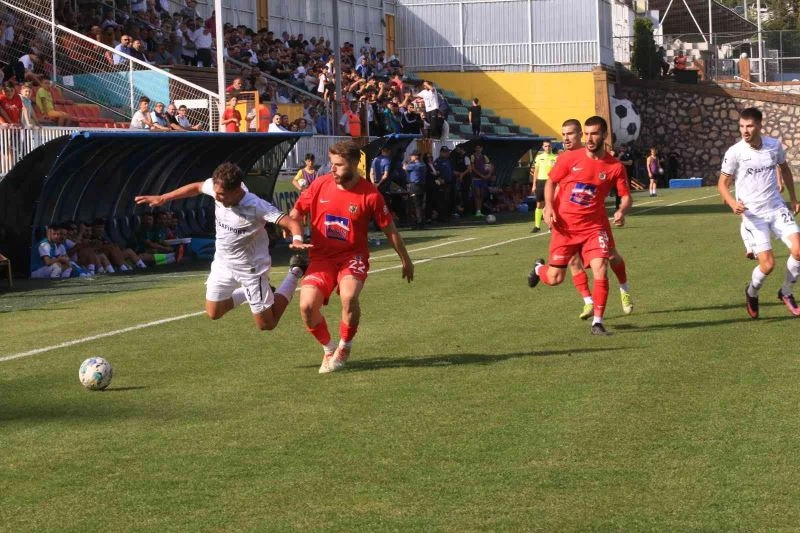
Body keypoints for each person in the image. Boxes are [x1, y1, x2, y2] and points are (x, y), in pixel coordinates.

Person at [135, 162, 312, 331]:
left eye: (221, 194)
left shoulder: (256, 206)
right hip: (223, 263)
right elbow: (197, 187)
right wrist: (163, 197)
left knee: (267, 324)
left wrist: (297, 239)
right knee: (214, 312)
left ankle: (295, 270)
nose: (216, 197)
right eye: (216, 192)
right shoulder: (217, 188)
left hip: (251, 268)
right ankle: (251, 293)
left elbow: (291, 223)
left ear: (236, 190)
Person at [290, 140, 414, 373]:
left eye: (338, 164)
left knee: (348, 296)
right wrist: (295, 235)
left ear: (355, 163)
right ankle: (329, 348)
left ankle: (345, 346)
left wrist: (405, 260)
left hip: (352, 257)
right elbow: (295, 213)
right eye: (331, 163)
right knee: (306, 307)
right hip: (321, 258)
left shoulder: (370, 194)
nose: (332, 169)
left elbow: (390, 230)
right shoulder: (319, 185)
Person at [526, 116, 632, 336]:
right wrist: (549, 207)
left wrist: (621, 211)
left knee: (601, 266)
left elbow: (625, 196)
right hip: (565, 227)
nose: (589, 138)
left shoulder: (614, 167)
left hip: (593, 227)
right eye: (586, 134)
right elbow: (551, 181)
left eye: (594, 133)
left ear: (604, 135)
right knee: (555, 278)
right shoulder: (569, 157)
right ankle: (538, 269)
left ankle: (597, 322)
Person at [718, 107, 800, 318]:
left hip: (776, 207)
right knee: (768, 264)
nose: (744, 131)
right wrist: (731, 202)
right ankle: (752, 292)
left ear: (760, 126)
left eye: (749, 126)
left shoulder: (773, 145)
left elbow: (785, 169)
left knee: (799, 250)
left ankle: (786, 292)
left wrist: (793, 198)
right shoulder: (735, 152)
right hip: (753, 214)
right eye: (741, 126)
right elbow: (722, 184)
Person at [530, 140, 557, 233]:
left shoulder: (556, 158)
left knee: (550, 204)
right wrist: (534, 184)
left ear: (551, 146)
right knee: (539, 204)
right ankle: (537, 226)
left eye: (549, 146)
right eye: (545, 146)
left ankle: (551, 226)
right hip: (540, 182)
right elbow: (536, 172)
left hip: (550, 182)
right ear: (543, 147)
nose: (547, 148)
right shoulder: (539, 157)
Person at [403, 150, 427, 230]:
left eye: (412, 156)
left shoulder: (414, 165)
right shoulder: (423, 164)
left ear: (416, 156)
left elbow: (404, 167)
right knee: (420, 205)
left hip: (414, 186)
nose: (411, 157)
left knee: (414, 205)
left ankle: (417, 223)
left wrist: (408, 162)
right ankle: (421, 223)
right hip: (422, 186)